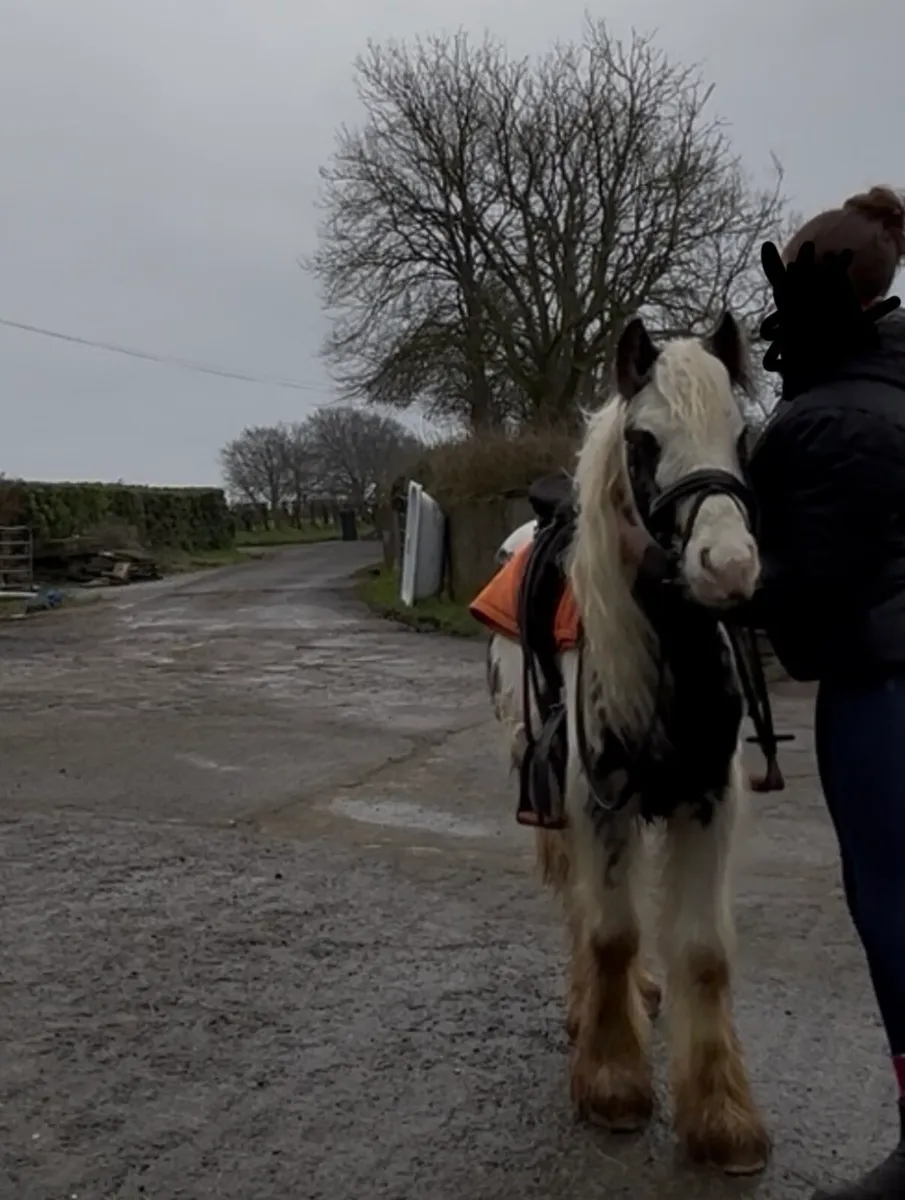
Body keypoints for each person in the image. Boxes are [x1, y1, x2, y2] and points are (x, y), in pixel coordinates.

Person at [746, 188, 905, 1200]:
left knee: (891, 909)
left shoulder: (818, 423)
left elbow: (791, 604)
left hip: (880, 701)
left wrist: (649, 561)